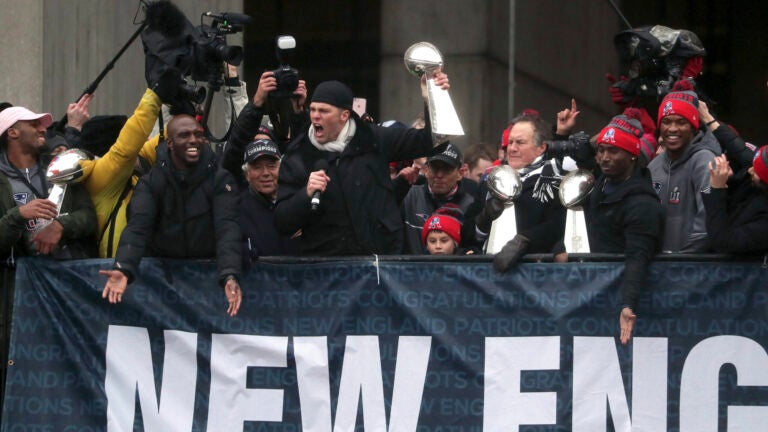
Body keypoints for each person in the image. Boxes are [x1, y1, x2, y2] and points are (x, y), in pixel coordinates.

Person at [274, 71, 450, 255]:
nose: (315, 116)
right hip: (326, 270)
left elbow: (434, 143)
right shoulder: (299, 153)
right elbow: (281, 223)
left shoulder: (373, 139)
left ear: (344, 115)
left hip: (377, 266)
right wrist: (305, 195)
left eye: (324, 111)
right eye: (312, 109)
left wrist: (433, 97)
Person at [99, 114, 242, 317]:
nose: (193, 140)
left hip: (207, 281)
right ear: (170, 143)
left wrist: (230, 275)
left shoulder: (221, 179)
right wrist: (124, 268)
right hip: (162, 284)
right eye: (184, 135)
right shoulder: (151, 182)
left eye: (198, 134)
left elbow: (227, 227)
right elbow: (138, 227)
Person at [582, 113, 664, 344]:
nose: (604, 158)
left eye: (613, 151)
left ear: (631, 156)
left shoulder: (643, 204)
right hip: (591, 294)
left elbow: (637, 257)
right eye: (601, 150)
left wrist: (628, 303)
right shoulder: (598, 185)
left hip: (617, 298)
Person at [0, 107, 97, 262]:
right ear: (13, 133)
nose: (43, 130)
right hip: (18, 280)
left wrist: (60, 226)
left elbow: (89, 217)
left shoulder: (61, 167)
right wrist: (19, 215)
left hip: (65, 276)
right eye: (34, 125)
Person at [480, 113, 567, 271]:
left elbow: (558, 224)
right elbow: (468, 232)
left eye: (520, 143)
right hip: (484, 274)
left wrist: (526, 239)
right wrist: (484, 218)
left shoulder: (556, 181)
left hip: (534, 275)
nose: (512, 148)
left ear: (541, 148)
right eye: (510, 142)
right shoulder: (492, 180)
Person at [647, 80, 720, 253]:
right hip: (658, 266)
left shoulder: (705, 160)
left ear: (693, 127)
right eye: (666, 122)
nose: (672, 128)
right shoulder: (653, 166)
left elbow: (706, 225)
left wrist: (683, 260)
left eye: (681, 122)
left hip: (691, 267)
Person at [402, 143, 478, 254]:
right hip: (411, 270)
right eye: (435, 168)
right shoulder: (408, 197)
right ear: (426, 170)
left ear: (460, 173)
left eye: (447, 169)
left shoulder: (471, 205)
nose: (439, 175)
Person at [702, 149, 768, 254]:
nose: (750, 170)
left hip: (740, 268)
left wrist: (717, 189)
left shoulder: (764, 223)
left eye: (757, 171)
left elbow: (723, 242)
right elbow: (705, 191)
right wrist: (726, 181)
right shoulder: (752, 183)